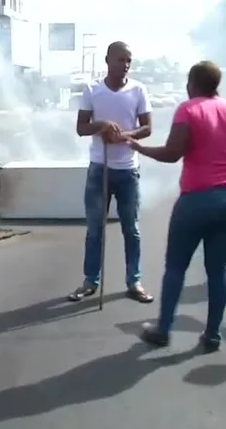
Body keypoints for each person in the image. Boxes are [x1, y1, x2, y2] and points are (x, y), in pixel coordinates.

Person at [128, 61, 226, 351]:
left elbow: (173, 153)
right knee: (218, 270)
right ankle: (212, 335)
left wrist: (139, 147)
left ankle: (163, 329)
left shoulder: (189, 109)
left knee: (175, 267)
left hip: (197, 199)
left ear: (191, 84)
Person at [68, 41, 154, 304]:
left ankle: (134, 281)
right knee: (95, 229)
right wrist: (102, 125)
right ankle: (89, 281)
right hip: (99, 168)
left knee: (132, 229)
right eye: (121, 60)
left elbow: (147, 128)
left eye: (129, 60)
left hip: (128, 170)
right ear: (107, 60)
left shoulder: (139, 89)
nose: (126, 65)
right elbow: (82, 127)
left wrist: (122, 136)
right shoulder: (93, 90)